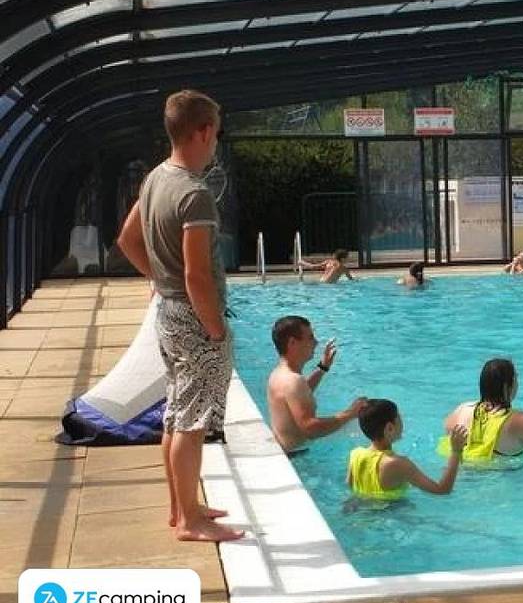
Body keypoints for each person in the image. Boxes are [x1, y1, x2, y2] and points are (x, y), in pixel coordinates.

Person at [113, 89, 241, 542]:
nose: (216, 144)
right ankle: (189, 520)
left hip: (167, 313)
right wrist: (215, 328)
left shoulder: (155, 180)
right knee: (193, 420)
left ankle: (181, 507)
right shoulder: (194, 193)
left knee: (174, 414)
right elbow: (198, 276)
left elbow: (127, 240)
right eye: (216, 135)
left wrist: (157, 279)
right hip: (192, 317)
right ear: (203, 132)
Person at [266, 315, 367, 454]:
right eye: (310, 337)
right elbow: (310, 429)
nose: (316, 342)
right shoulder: (293, 381)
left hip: (289, 451)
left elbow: (300, 396)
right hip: (297, 459)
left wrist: (323, 368)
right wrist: (350, 413)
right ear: (292, 343)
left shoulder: (280, 374)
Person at [347, 399, 465, 501]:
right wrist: (455, 451)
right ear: (389, 428)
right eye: (399, 417)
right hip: (391, 516)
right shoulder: (398, 463)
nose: (402, 422)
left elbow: (351, 489)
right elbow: (442, 490)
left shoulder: (355, 454)